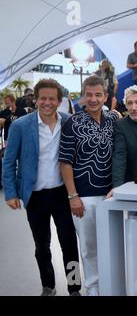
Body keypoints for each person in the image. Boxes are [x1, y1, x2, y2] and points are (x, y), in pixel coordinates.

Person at [2, 79, 81, 296]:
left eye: (52, 98)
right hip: (34, 195)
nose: (47, 102)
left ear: (59, 101)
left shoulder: (68, 122)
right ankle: (49, 286)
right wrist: (10, 193)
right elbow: (9, 161)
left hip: (61, 194)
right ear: (36, 99)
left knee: (69, 244)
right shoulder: (20, 126)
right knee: (42, 246)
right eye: (43, 98)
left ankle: (75, 288)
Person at [59, 75, 119, 296]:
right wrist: (73, 196)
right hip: (84, 196)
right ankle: (94, 289)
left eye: (98, 94)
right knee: (89, 247)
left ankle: (111, 286)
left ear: (106, 96)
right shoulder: (72, 123)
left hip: (112, 194)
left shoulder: (113, 119)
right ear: (83, 96)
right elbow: (65, 163)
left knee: (112, 244)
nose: (93, 99)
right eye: (89, 94)